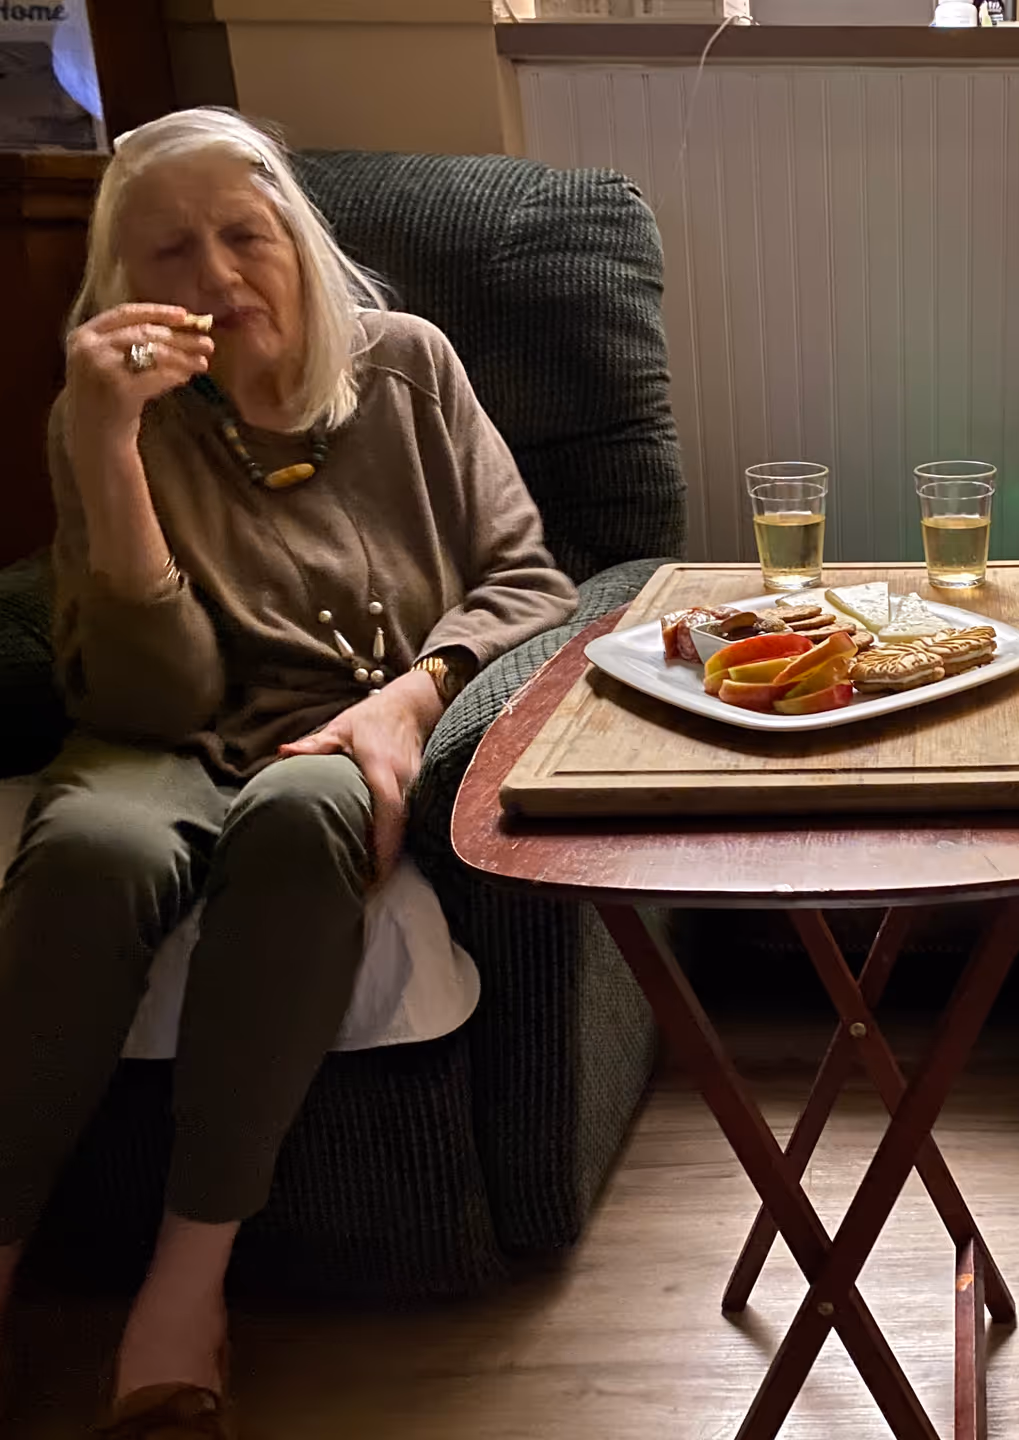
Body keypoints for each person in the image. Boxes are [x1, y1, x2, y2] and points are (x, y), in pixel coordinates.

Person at [0, 108, 577, 1436]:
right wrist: (106, 444)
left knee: (308, 812)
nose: (214, 276)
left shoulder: (412, 370)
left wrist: (410, 698)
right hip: (158, 739)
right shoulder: (104, 409)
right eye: (171, 251)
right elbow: (153, 694)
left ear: (296, 243)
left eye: (243, 236)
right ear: (122, 284)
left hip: (333, 739)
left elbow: (530, 580)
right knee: (94, 854)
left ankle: (184, 1287)